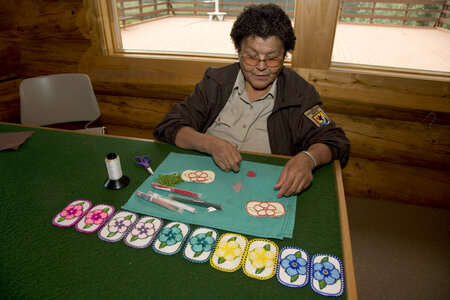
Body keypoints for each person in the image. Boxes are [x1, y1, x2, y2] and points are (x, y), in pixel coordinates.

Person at [154, 4, 350, 198]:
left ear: (284, 57)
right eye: (251, 57)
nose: (261, 67)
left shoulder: (300, 94)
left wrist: (308, 159)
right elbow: (169, 126)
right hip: (205, 181)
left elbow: (335, 141)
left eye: (272, 59)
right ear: (239, 52)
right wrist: (211, 144)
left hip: (265, 189)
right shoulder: (216, 82)